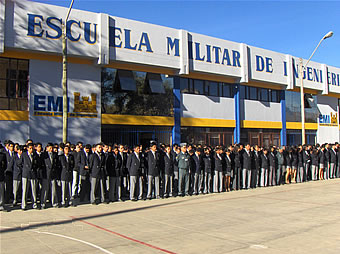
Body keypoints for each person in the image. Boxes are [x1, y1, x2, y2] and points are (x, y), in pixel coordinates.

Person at [21, 143, 38, 210]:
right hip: (25, 174)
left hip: (33, 174)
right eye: (30, 148)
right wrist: (25, 169)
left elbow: (37, 164)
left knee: (33, 190)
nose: (31, 150)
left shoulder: (35, 155)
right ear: (27, 148)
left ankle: (34, 203)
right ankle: (23, 205)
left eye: (32, 148)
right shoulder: (24, 154)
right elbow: (20, 163)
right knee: (25, 190)